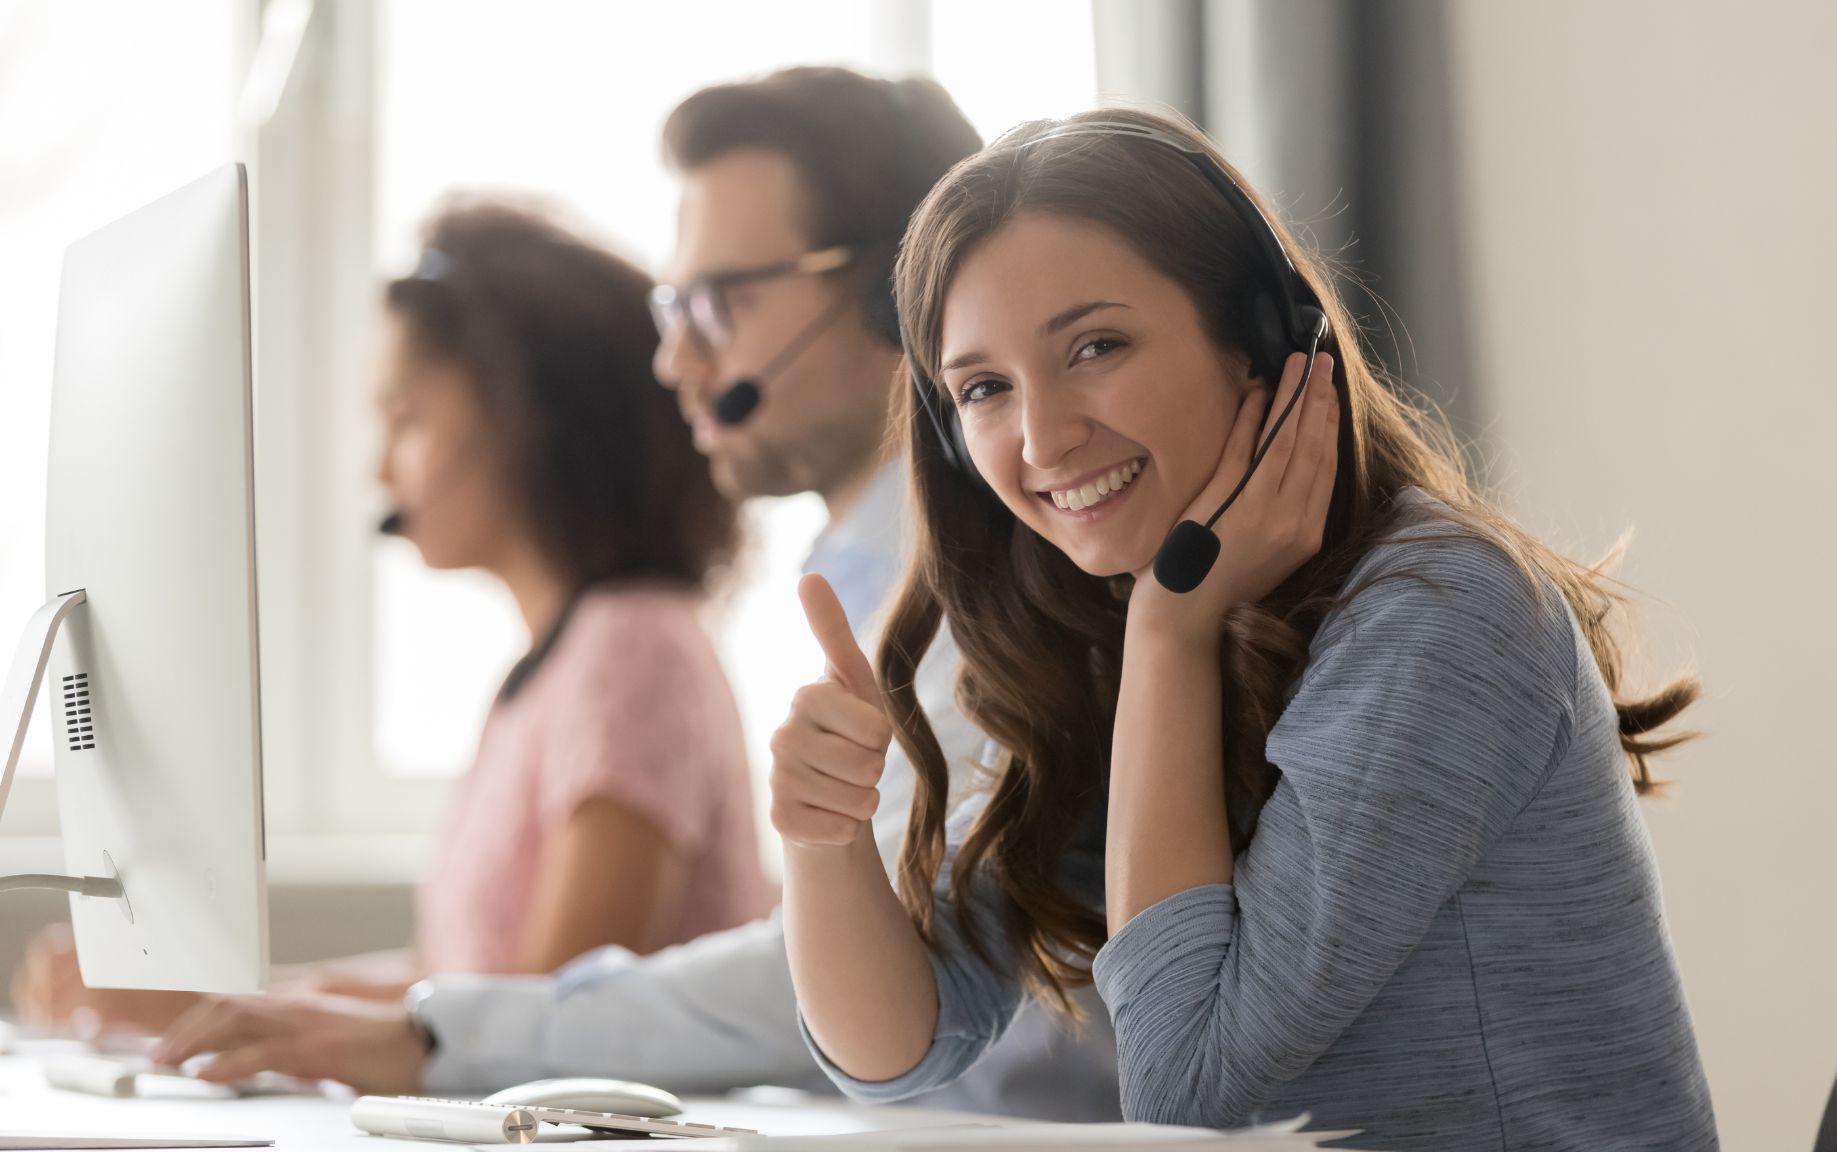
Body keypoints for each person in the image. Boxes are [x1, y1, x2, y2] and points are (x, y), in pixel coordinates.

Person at [144, 68, 1122, 1122]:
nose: (674, 358)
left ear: (901, 291)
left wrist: (436, 1035)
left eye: (721, 301)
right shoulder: (867, 587)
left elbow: (872, 967)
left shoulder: (1004, 593)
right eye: (673, 305)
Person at [773, 108, 1721, 1150]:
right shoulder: (1110, 613)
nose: (1041, 436)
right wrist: (823, 842)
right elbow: (903, 1046)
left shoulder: (1437, 614)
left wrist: (1171, 640)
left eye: (1095, 346)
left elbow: (1188, 1097)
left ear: (1259, 342)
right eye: (985, 389)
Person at [14, 203, 770, 1031]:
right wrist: (209, 1001)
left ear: (528, 417)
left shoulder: (634, 648)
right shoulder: (560, 664)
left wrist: (205, 1003)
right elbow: (453, 982)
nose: (380, 465)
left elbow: (550, 1011)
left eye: (406, 418)